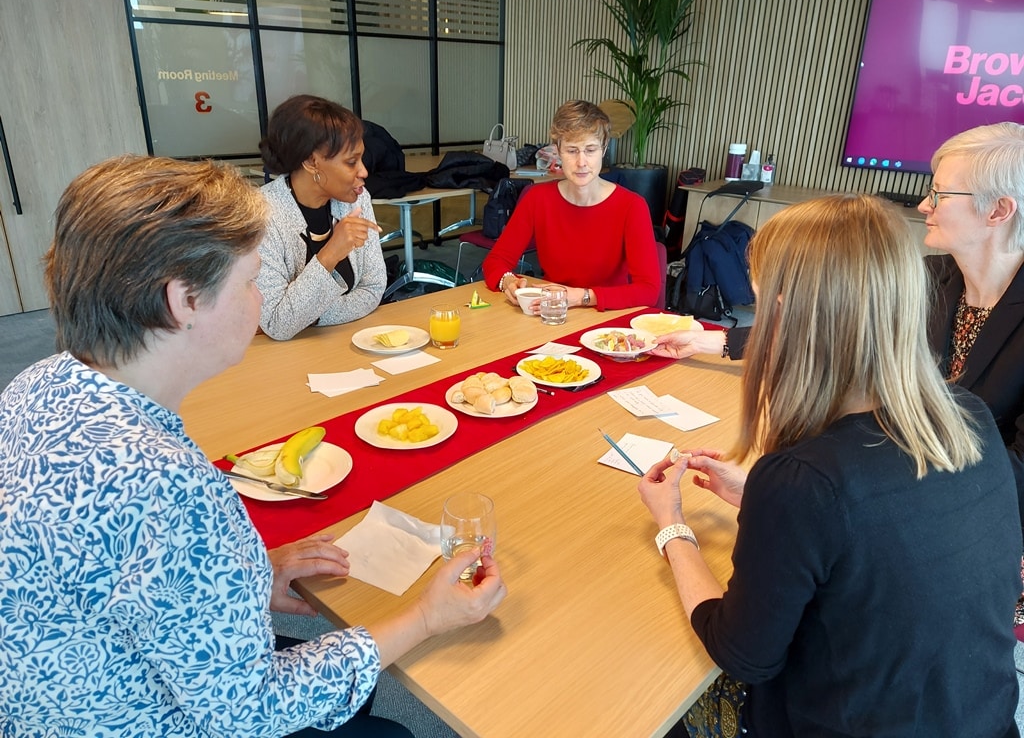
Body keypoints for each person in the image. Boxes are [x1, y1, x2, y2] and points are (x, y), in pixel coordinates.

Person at [0, 155, 506, 736]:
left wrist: (239, 573)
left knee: (356, 694)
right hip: (135, 718)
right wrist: (426, 616)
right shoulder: (164, 483)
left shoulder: (37, 383)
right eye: (249, 280)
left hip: (54, 700)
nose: (259, 299)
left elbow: (110, 572)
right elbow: (250, 712)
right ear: (184, 300)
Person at [638, 194, 1021, 736]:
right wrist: (763, 499)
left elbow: (742, 655)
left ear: (789, 316)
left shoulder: (803, 482)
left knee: (654, 704)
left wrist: (671, 526)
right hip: (986, 721)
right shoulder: (971, 418)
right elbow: (882, 529)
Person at [651, 122, 1024, 529]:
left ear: (999, 210)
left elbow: (1015, 477)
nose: (923, 205)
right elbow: (834, 329)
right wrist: (714, 341)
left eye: (940, 194)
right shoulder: (931, 276)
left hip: (970, 525)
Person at [481, 100, 661, 311]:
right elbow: (496, 261)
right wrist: (508, 281)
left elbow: (649, 290)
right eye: (572, 151)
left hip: (609, 322)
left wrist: (583, 297)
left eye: (590, 150)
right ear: (557, 151)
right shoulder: (537, 199)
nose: (582, 162)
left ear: (603, 150)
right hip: (551, 314)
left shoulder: (632, 206)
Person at [257, 94, 387, 340]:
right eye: (351, 162)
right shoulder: (262, 214)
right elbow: (277, 323)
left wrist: (308, 317)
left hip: (347, 342)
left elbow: (373, 289)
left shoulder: (357, 199)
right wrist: (332, 252)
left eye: (361, 158)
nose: (364, 171)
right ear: (311, 161)